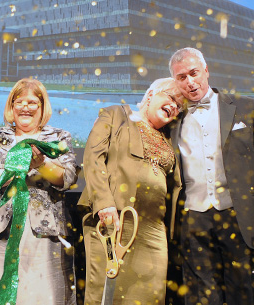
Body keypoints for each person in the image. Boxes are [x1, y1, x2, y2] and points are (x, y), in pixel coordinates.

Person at [168, 47, 254, 305]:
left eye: (194, 73)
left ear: (206, 71)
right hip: (192, 218)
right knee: (201, 298)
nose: (190, 82)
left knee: (244, 295)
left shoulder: (245, 107)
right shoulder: (171, 117)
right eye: (182, 77)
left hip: (237, 215)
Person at [0, 78, 79, 305]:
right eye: (19, 102)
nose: (25, 107)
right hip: (1, 228)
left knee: (44, 294)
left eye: (32, 102)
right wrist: (16, 168)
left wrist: (40, 164)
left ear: (42, 107)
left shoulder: (58, 138)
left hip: (44, 230)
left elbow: (67, 177)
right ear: (11, 106)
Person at [79, 78, 184, 304]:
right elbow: (92, 157)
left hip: (154, 230)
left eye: (180, 106)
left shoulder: (168, 138)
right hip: (114, 221)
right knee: (107, 293)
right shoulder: (116, 115)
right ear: (151, 94)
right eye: (172, 98)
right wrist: (104, 203)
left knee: (150, 296)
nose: (175, 106)